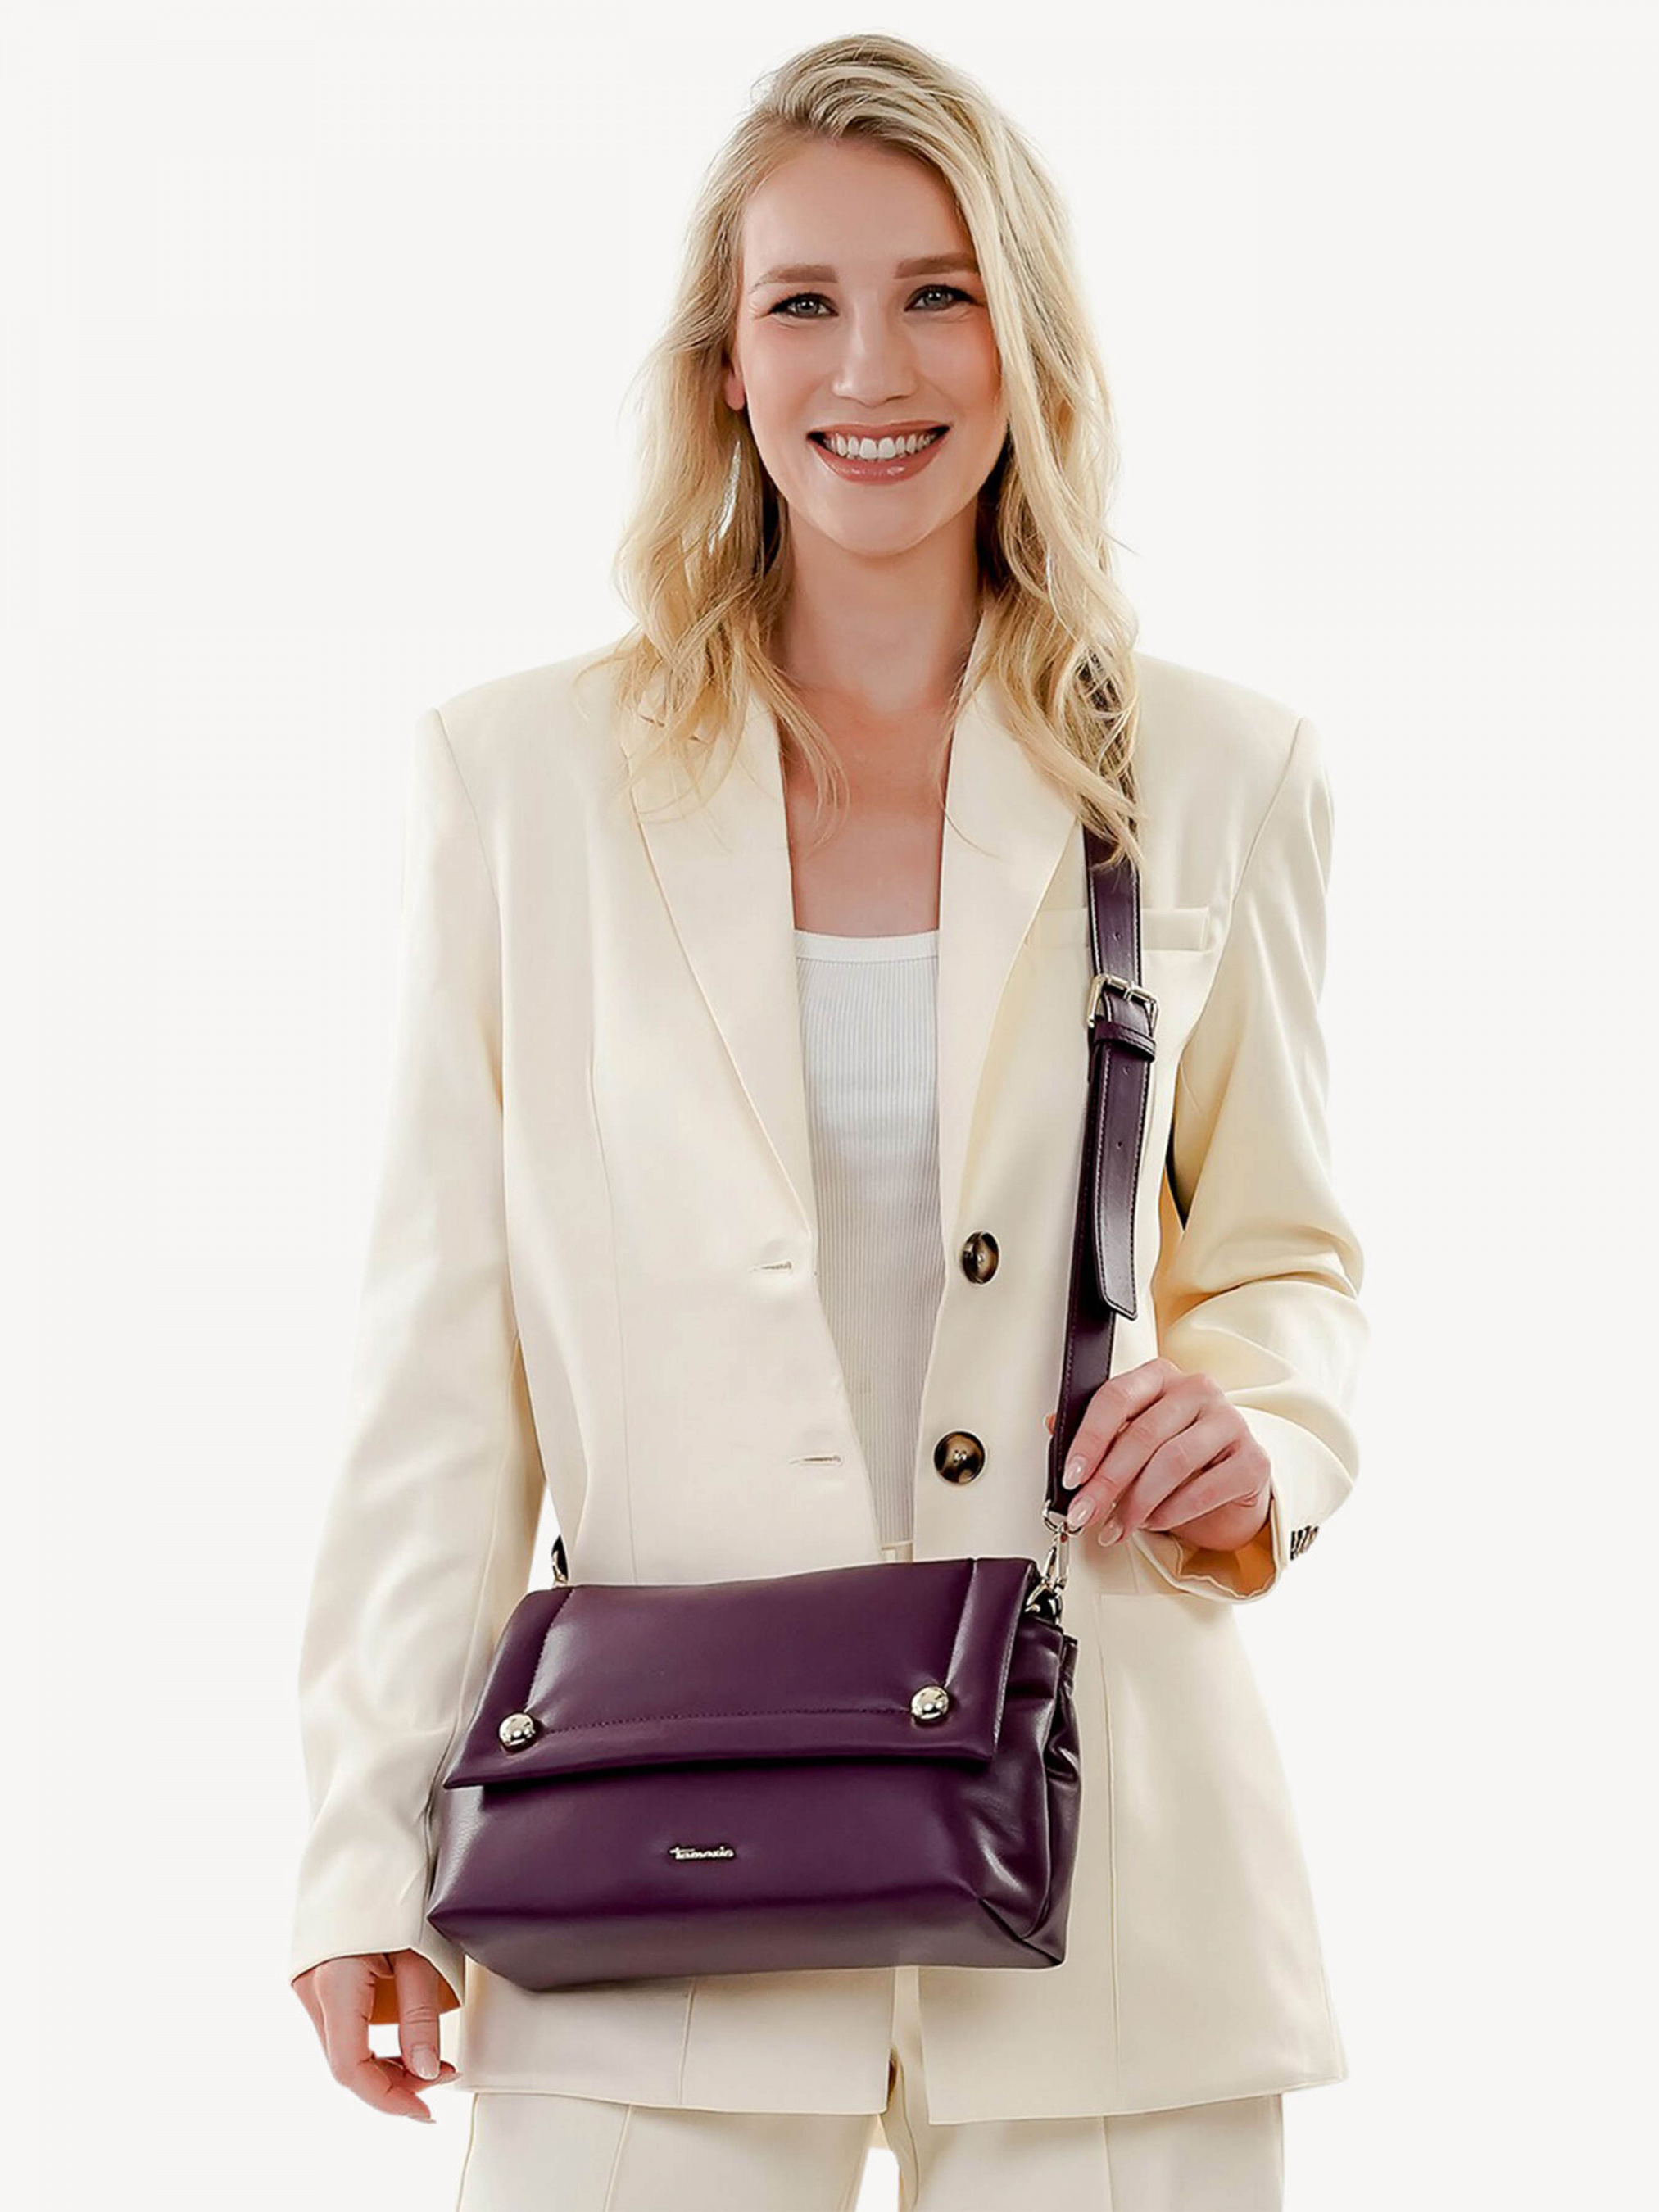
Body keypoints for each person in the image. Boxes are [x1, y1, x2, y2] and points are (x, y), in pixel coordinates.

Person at [288, 31, 1367, 2212]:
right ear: (724, 365)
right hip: (643, 1851)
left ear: (1026, 343)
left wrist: (1261, 1429)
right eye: (803, 301)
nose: (871, 366)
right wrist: (363, 1840)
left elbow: (1284, 1258)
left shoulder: (1215, 769)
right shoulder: (524, 785)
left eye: (938, 293)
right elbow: (443, 1359)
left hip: (1112, 1861)